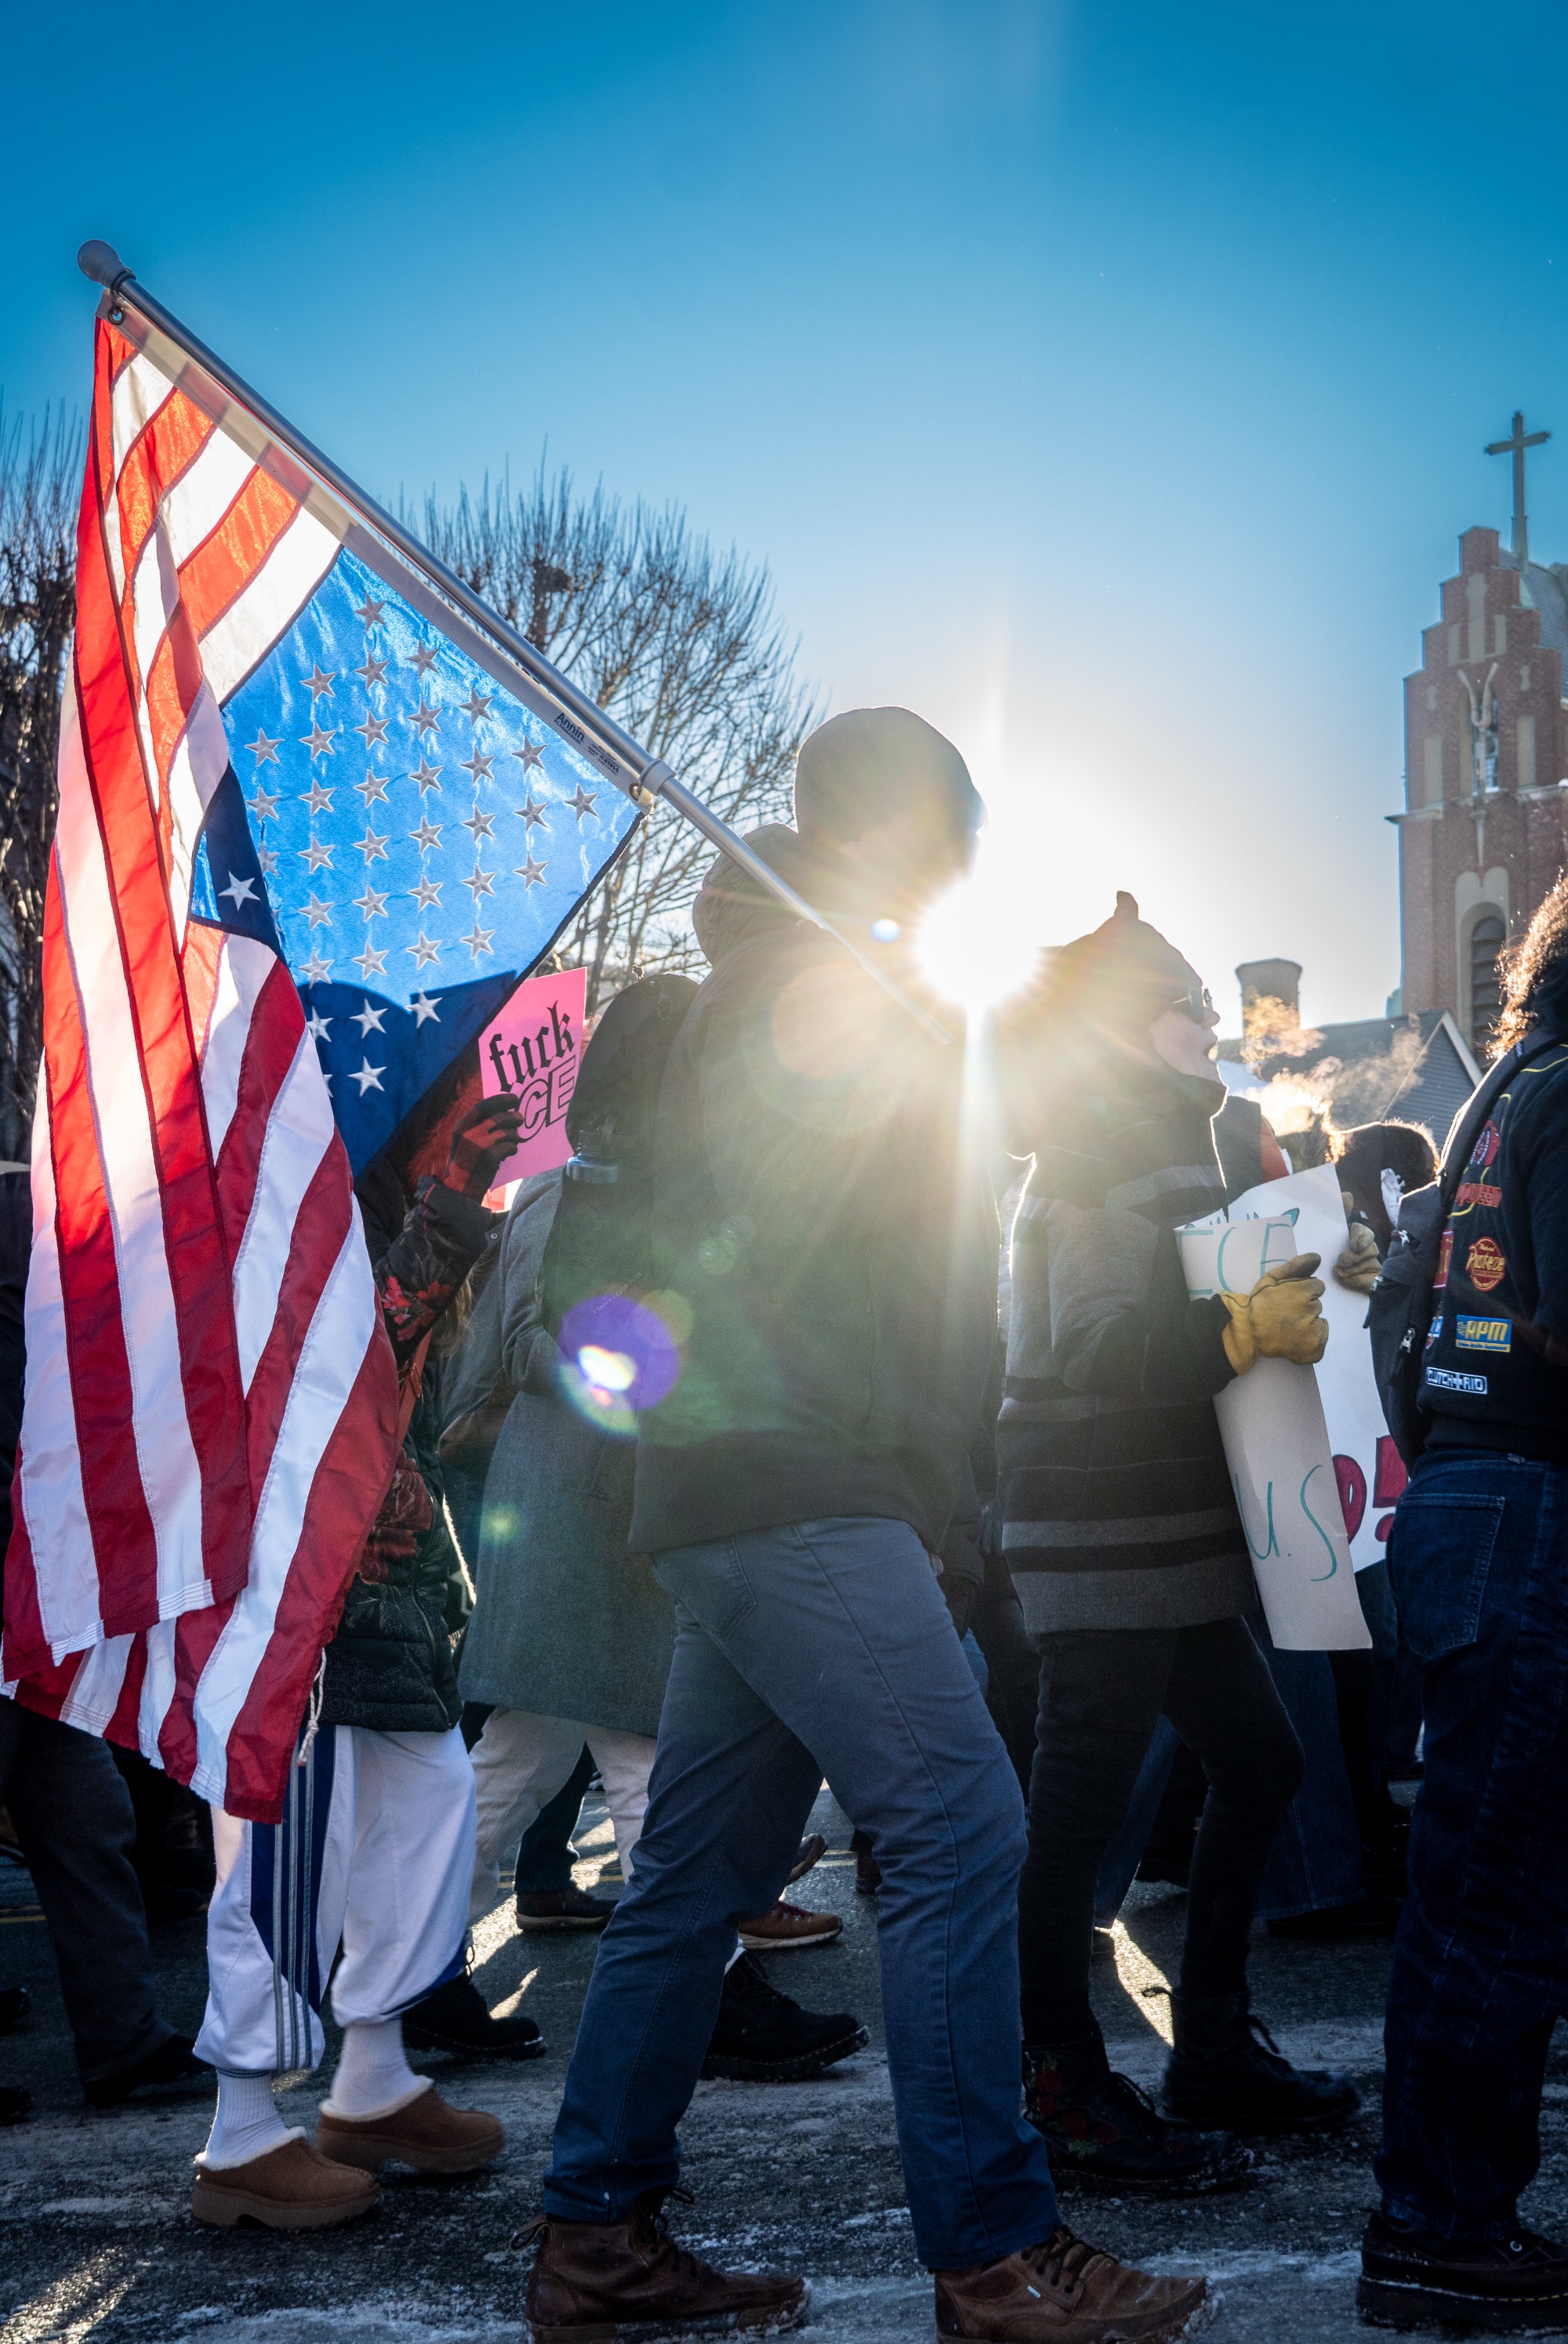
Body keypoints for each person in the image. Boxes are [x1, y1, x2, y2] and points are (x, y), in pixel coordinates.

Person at [524, 713, 1214, 2344]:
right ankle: (995, 2253)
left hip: (767, 1489)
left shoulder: (838, 979)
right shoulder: (794, 990)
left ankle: (595, 2235)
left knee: (690, 1875)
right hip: (793, 1477)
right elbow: (809, 1179)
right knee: (963, 1828)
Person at [994, 894, 1359, 2200]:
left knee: (1261, 1761)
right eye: (1185, 1004)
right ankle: (1061, 2087)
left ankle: (1207, 2051)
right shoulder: (1095, 1150)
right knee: (1071, 1815)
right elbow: (1097, 1343)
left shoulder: (1172, 1149)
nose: (1209, 1024)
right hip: (1102, 1533)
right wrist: (1245, 1329)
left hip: (1169, 1533)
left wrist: (1309, 1289)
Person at [456, 977, 866, 2079]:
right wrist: (646, 1381)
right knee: (636, 1757)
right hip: (580, 1508)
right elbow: (516, 1348)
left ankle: (399, 1973)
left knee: (523, 1761)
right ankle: (713, 2000)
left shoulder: (649, 1184)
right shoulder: (566, 1193)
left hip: (599, 1508)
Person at [190, 1096, 528, 2231]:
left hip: (387, 1590)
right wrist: (447, 1212)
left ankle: (371, 2078)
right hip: (302, 1593)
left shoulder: (359, 1198)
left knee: (420, 1814)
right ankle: (241, 2133)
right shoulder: (280, 1210)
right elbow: (344, 1363)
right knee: (288, 1860)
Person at [1360, 877, 1568, 2333]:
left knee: (1480, 1889)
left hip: (1476, 1502)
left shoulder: (1514, 1078)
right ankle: (1441, 2226)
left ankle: (1443, 2212)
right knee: (1499, 1899)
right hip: (1529, 1507)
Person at [0, 1163, 207, 2120]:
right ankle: (122, 2037)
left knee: (87, 1814)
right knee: (84, 1811)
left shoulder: (32, 1231)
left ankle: (123, 2039)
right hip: (19, 1578)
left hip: (31, 1593)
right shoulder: (27, 1224)